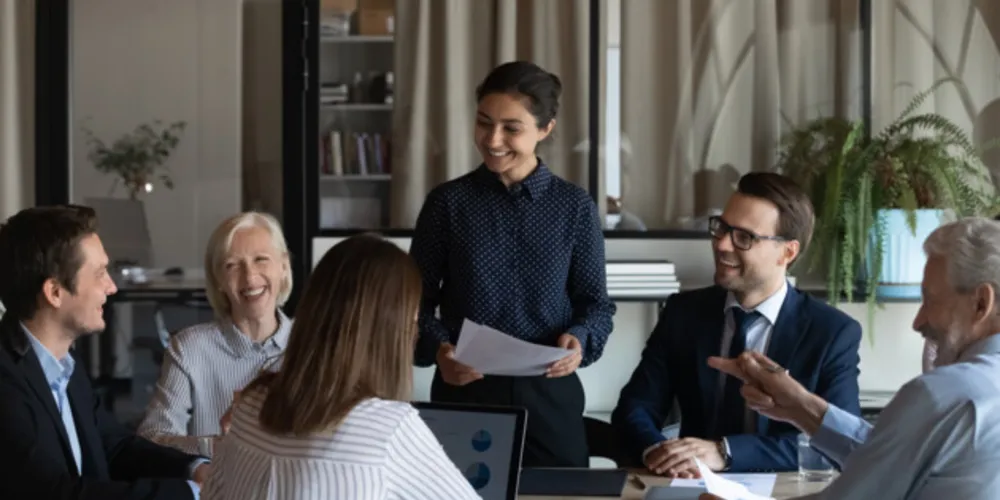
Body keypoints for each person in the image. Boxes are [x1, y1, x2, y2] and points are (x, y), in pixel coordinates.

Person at [409, 60, 616, 467]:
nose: (493, 139)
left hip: (549, 395)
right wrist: (439, 351)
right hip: (464, 391)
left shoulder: (573, 206)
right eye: (484, 123)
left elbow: (596, 304)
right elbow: (412, 302)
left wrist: (580, 339)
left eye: (511, 128)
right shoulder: (447, 204)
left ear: (546, 129)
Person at [704, 216, 1000, 500]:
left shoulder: (943, 395)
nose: (918, 322)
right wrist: (801, 407)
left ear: (980, 303)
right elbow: (892, 459)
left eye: (930, 300)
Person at [612, 173, 862, 476]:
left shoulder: (832, 332)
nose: (722, 245)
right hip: (693, 487)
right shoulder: (684, 313)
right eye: (722, 228)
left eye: (744, 237)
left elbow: (839, 442)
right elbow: (635, 408)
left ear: (788, 252)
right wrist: (659, 452)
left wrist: (725, 452)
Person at [202, 234, 479, 499]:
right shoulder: (388, 429)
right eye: (413, 315)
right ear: (397, 327)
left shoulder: (250, 404)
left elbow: (211, 495)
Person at [0, 205, 210, 499]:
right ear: (55, 292)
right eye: (99, 273)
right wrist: (191, 494)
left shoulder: (63, 363)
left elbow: (113, 444)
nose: (111, 287)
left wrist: (193, 469)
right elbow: (54, 493)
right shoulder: (6, 380)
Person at [138, 212, 293, 453]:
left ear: (283, 267)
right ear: (218, 279)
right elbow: (153, 438)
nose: (250, 278)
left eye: (261, 259)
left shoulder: (316, 346)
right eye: (232, 265)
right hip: (214, 487)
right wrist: (219, 446)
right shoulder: (189, 349)